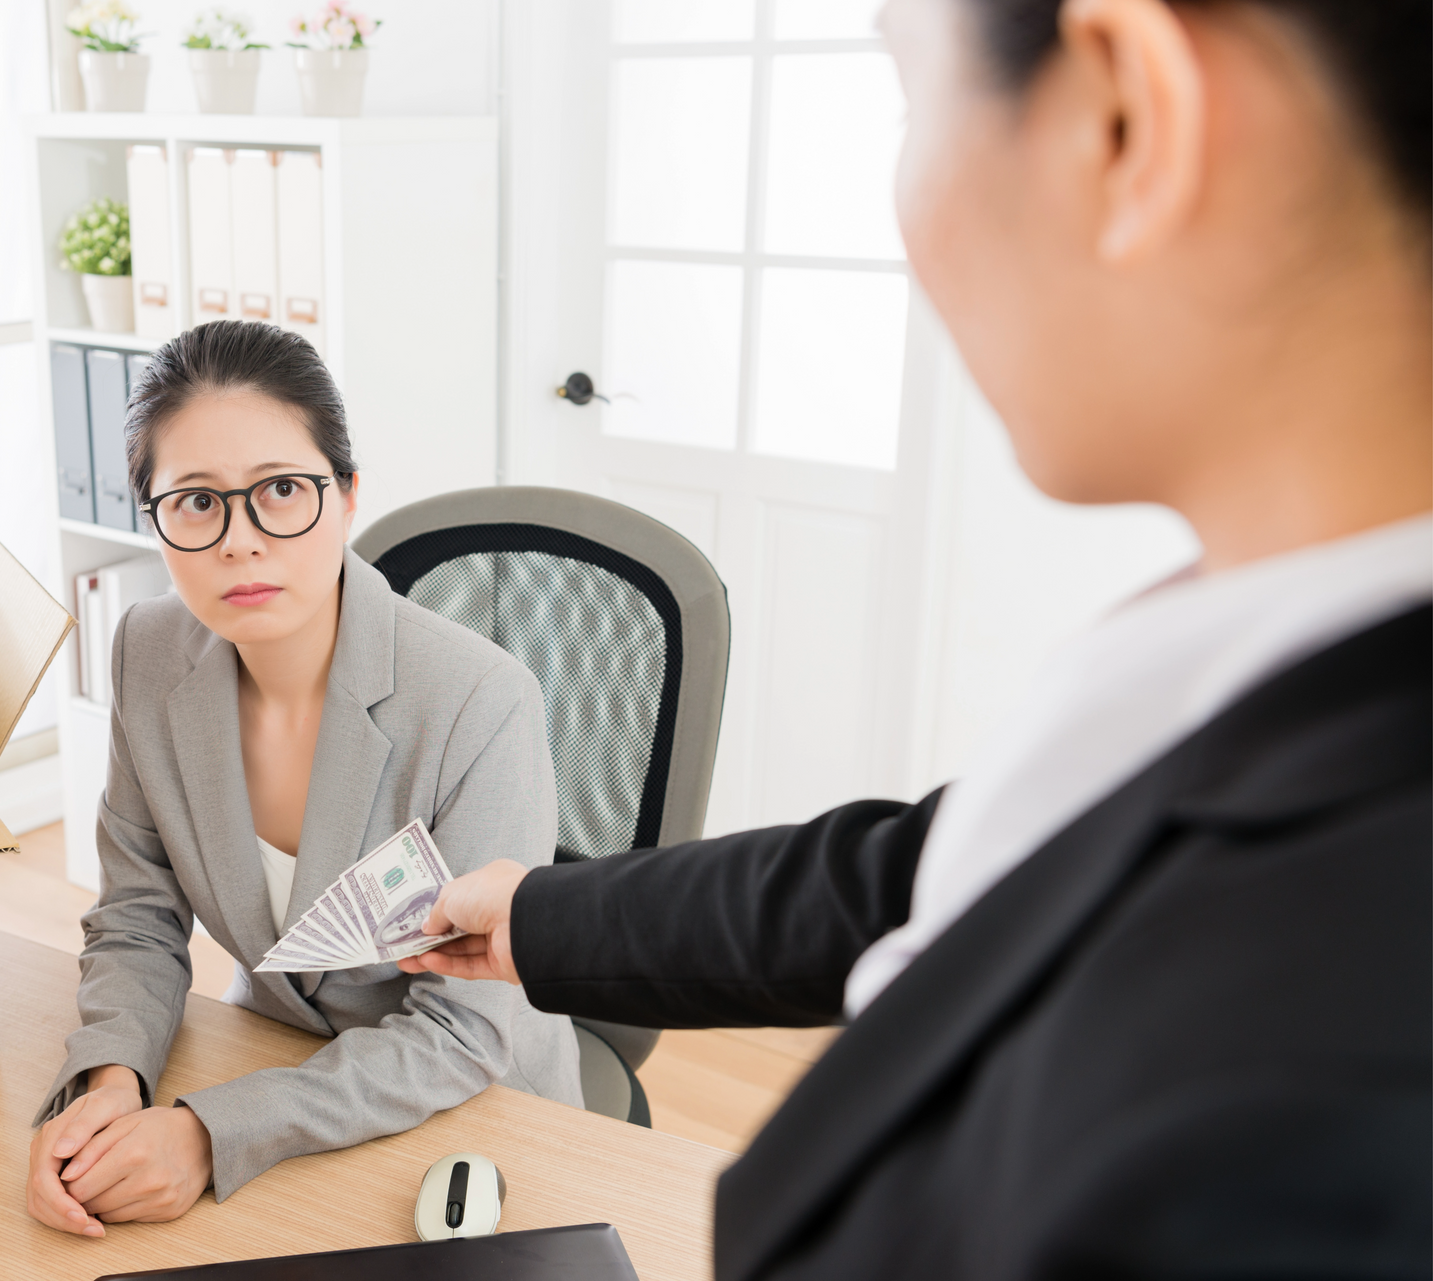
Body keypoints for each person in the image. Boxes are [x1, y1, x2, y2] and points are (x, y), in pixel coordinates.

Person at [402, 0, 1431, 1275]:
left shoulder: (1321, 1101)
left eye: (908, 92)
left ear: (1125, 119)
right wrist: (548, 919)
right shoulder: (1266, 662)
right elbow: (938, 870)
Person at [27, 320, 583, 1236]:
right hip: (268, 1051)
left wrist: (213, 1133)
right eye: (197, 501)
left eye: (282, 490)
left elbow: (466, 1029)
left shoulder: (481, 701)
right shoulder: (148, 655)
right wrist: (112, 1077)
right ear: (154, 518)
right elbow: (137, 912)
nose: (240, 541)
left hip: (468, 1116)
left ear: (349, 493)